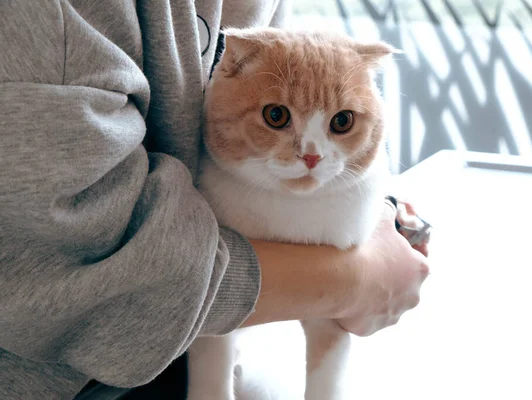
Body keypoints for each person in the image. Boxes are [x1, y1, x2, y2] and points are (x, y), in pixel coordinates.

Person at [0, 1, 430, 399]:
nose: (310, 154)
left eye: (342, 122)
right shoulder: (49, 18)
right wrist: (354, 280)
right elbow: (70, 267)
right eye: (278, 117)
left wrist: (374, 209)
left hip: (196, 336)